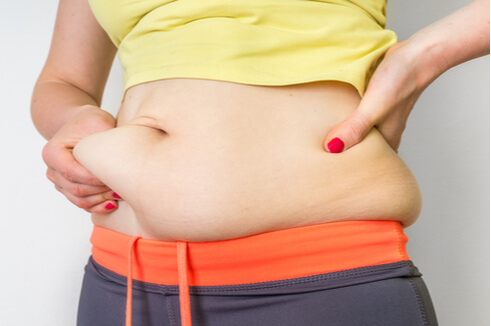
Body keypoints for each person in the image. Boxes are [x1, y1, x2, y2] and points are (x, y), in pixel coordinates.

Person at [31, 0, 489, 325]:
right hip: (124, 283)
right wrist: (74, 119)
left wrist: (425, 55)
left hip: (323, 284)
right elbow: (64, 79)